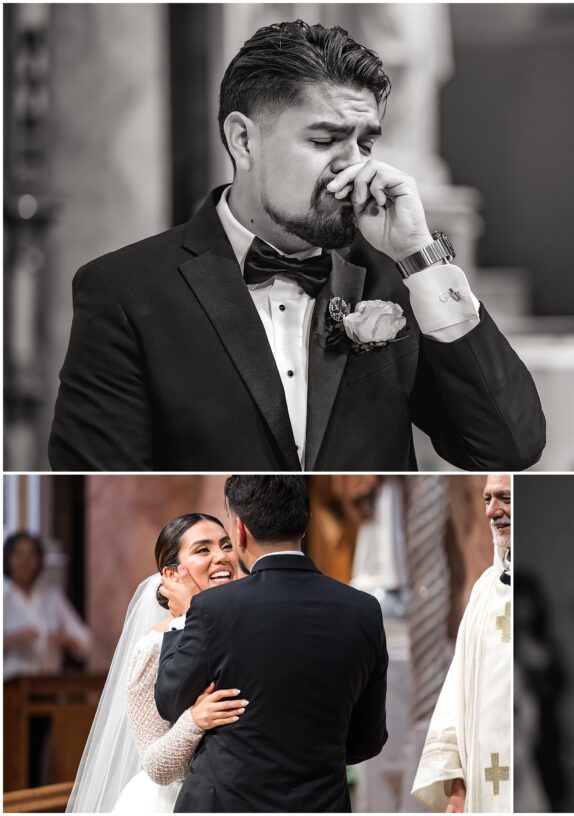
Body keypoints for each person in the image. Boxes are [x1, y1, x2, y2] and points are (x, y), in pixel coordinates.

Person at [49, 20, 545, 472]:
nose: (354, 168)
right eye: (325, 140)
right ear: (243, 140)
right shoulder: (124, 290)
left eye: (365, 145)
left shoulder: (398, 278)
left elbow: (508, 446)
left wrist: (420, 253)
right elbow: (98, 484)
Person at [154, 475, 388, 811]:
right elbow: (367, 740)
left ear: (240, 531)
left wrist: (182, 619)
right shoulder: (364, 611)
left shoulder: (212, 609)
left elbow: (171, 700)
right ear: (304, 525)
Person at [67, 514, 244, 812]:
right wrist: (195, 720)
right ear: (172, 575)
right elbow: (156, 765)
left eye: (226, 545)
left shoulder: (246, 623)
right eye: (203, 550)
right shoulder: (152, 648)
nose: (221, 557)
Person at [411, 474, 512, 813]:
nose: (492, 511)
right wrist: (456, 786)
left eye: (504, 498)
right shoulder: (484, 590)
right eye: (487, 499)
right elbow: (456, 696)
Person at [3, 531, 90, 682]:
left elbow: (85, 642)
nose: (25, 561)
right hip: (9, 689)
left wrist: (63, 639)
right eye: (18, 555)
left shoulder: (53, 597)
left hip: (48, 685)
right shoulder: (4, 599)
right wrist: (13, 638)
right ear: (8, 559)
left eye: (31, 555)